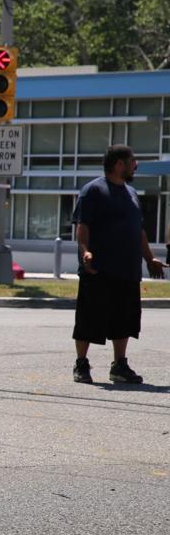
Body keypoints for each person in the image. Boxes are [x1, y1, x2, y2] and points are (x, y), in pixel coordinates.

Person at [70, 144, 165, 384]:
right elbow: (83, 225)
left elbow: (139, 231)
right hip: (99, 268)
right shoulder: (93, 190)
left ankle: (119, 366)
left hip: (128, 268)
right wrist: (86, 251)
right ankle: (82, 364)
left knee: (125, 318)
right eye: (133, 160)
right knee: (89, 318)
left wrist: (149, 258)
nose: (136, 165)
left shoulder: (131, 193)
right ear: (119, 164)